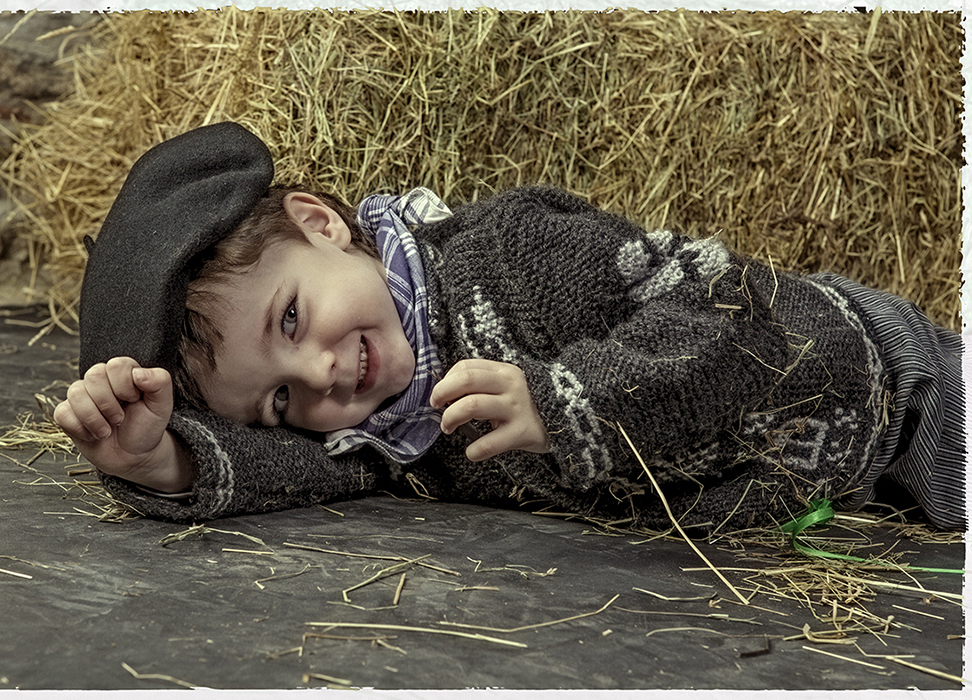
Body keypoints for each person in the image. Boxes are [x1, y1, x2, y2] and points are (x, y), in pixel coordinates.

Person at [53, 122, 965, 534]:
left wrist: (565, 401)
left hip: (889, 385)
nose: (320, 373)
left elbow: (734, 311)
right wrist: (158, 461)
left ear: (323, 225)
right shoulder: (396, 430)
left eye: (293, 317)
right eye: (282, 398)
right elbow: (303, 470)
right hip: (834, 486)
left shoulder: (512, 259)